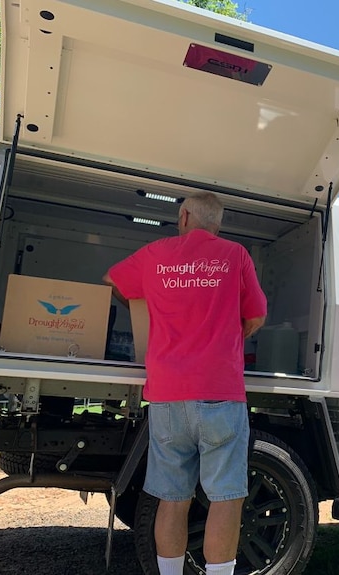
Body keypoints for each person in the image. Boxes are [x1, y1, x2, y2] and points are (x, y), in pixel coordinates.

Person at [105, 192, 267, 575]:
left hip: (166, 394)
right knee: (226, 497)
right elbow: (257, 316)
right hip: (219, 392)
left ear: (183, 217)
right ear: (217, 224)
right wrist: (229, 335)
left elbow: (111, 279)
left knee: (172, 496)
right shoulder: (235, 255)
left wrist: (143, 309)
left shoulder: (156, 253)